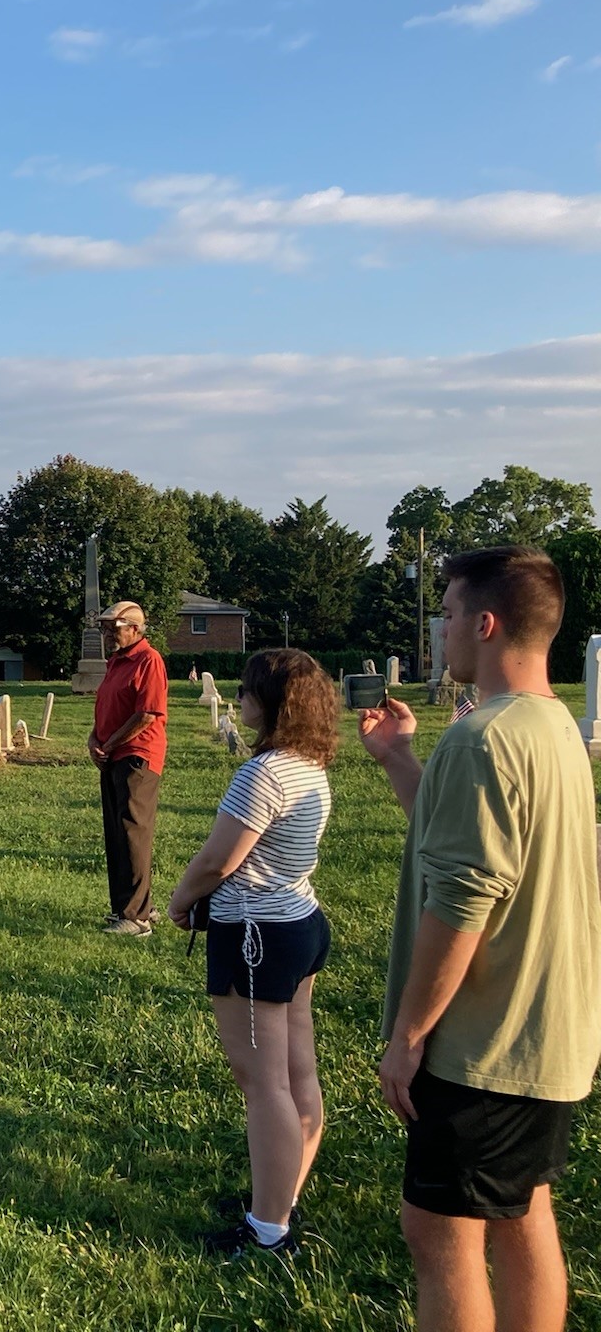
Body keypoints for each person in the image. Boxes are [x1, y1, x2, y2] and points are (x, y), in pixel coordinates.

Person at [359, 547, 600, 1332]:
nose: (444, 630)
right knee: (521, 1212)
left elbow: (463, 900)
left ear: (487, 624)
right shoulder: (549, 722)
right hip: (546, 1036)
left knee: (440, 1234)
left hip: (483, 1044)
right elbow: (469, 838)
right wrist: (398, 759)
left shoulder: (483, 738)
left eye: (452, 614)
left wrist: (410, 1032)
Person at [169, 649, 338, 1259]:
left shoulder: (263, 773)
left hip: (255, 932)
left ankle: (268, 1231)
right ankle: (280, 1196)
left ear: (272, 702)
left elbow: (220, 858)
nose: (240, 700)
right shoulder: (310, 765)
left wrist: (181, 898)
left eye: (247, 691)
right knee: (298, 1073)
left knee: (263, 1082)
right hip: (298, 921)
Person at [89, 600, 168, 936]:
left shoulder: (148, 660)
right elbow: (106, 707)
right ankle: (127, 906)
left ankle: (137, 917)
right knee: (117, 833)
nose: (109, 634)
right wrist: (94, 739)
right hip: (112, 755)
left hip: (137, 755)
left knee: (133, 832)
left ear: (135, 628)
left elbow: (147, 714)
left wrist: (110, 743)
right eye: (106, 628)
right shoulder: (116, 662)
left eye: (114, 628)